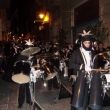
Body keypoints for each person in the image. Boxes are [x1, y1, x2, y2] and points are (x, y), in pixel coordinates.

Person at [69, 30, 103, 110]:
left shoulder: (93, 53)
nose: (87, 44)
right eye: (85, 43)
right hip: (79, 79)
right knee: (79, 102)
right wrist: (82, 66)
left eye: (88, 43)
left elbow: (95, 65)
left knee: (92, 101)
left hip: (91, 79)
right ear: (82, 43)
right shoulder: (76, 52)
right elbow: (70, 65)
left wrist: (98, 69)